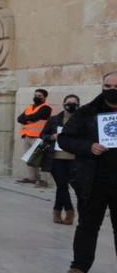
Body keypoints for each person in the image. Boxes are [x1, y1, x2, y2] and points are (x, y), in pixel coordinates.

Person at [59, 72, 117, 273]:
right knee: (88, 225)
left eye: (116, 86)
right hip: (92, 181)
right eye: (108, 85)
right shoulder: (87, 112)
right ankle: (78, 267)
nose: (112, 89)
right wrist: (87, 147)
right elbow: (65, 139)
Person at [42, 95, 82, 226]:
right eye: (69, 103)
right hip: (56, 157)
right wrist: (52, 136)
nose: (71, 105)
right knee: (62, 185)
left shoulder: (82, 120)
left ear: (78, 105)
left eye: (74, 103)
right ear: (64, 104)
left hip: (74, 158)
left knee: (62, 186)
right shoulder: (54, 120)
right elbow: (43, 135)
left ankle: (57, 211)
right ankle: (70, 211)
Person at [17, 88, 53, 187]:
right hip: (27, 136)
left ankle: (44, 181)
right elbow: (19, 118)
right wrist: (28, 119)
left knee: (40, 159)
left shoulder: (46, 108)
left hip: (38, 137)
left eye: (39, 96)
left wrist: (27, 119)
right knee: (28, 158)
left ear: (44, 97)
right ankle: (32, 178)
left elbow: (35, 117)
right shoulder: (29, 107)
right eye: (35, 95)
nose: (36, 97)